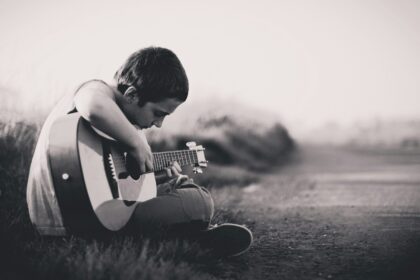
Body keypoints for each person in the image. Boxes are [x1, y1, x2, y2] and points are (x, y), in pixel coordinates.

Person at [26, 47, 252, 257]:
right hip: (71, 218)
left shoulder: (120, 119)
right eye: (158, 113)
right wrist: (136, 142)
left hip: (85, 214)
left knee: (173, 183)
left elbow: (110, 181)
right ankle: (186, 234)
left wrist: (154, 177)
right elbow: (93, 106)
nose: (159, 124)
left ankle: (179, 235)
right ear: (132, 94)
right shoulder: (95, 89)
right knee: (200, 201)